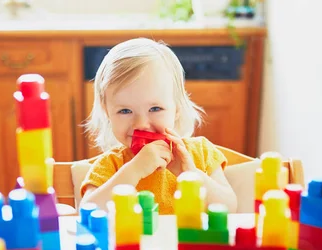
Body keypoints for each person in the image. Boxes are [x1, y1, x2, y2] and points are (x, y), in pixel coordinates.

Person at [80, 37, 238, 214]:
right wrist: (133, 171)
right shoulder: (112, 165)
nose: (140, 124)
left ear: (177, 108)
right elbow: (88, 210)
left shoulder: (199, 154)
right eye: (125, 111)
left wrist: (191, 174)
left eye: (155, 108)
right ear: (107, 113)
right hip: (134, 241)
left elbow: (229, 208)